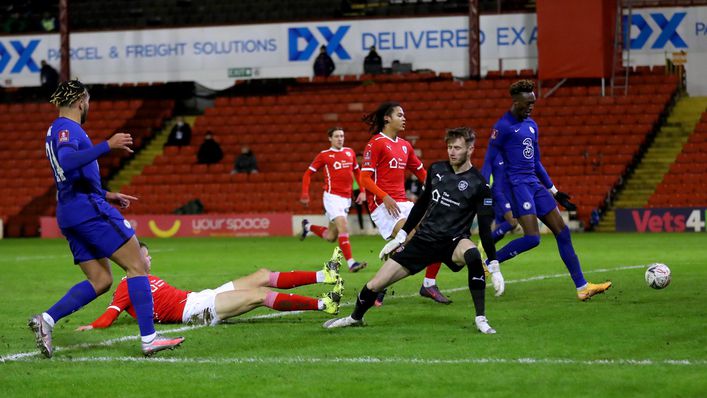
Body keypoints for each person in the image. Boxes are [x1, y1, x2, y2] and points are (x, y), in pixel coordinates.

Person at [31, 79, 184, 358]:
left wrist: (106, 193)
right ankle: (149, 339)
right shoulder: (68, 128)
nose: (88, 106)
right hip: (87, 210)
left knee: (101, 280)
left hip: (70, 210)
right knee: (137, 263)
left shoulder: (55, 129)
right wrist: (107, 145)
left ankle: (46, 320)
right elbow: (67, 162)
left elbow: (71, 176)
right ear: (80, 102)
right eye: (87, 101)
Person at [324, 127, 499, 334]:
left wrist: (494, 265)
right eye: (449, 147)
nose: (452, 152)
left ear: (470, 149)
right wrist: (401, 236)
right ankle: (355, 318)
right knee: (375, 284)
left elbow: (486, 229)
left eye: (457, 148)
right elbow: (421, 206)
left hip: (453, 242)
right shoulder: (437, 170)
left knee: (471, 253)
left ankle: (480, 318)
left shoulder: (479, 184)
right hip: (423, 240)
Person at [480, 79, 612, 301]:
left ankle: (582, 287)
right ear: (515, 101)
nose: (531, 107)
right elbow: (488, 161)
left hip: (534, 184)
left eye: (533, 102)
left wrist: (554, 190)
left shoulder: (532, 125)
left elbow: (537, 163)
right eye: (527, 103)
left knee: (563, 231)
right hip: (517, 186)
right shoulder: (502, 127)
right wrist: (483, 189)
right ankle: (489, 263)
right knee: (533, 238)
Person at [76, 243, 344, 330]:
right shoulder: (127, 285)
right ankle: (325, 304)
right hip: (195, 312)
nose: (149, 257)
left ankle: (325, 276)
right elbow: (110, 315)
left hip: (201, 297)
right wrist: (93, 326)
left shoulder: (146, 278)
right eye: (145, 255)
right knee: (260, 295)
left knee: (262, 274)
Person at [360, 101, 450, 305]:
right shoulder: (375, 144)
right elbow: (364, 179)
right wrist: (384, 196)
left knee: (439, 233)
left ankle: (428, 284)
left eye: (404, 115)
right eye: (399, 115)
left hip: (403, 203)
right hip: (383, 205)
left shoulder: (405, 145)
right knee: (413, 240)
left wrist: (437, 189)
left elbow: (421, 173)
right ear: (387, 118)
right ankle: (379, 286)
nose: (404, 118)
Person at [299, 127, 367, 273]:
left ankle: (307, 226)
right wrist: (305, 194)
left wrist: (362, 191)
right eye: (336, 136)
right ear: (330, 138)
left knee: (331, 236)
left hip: (346, 199)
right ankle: (351, 263)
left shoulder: (350, 152)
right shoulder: (324, 155)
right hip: (332, 197)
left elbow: (357, 171)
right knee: (343, 226)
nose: (340, 139)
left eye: (342, 136)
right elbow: (307, 174)